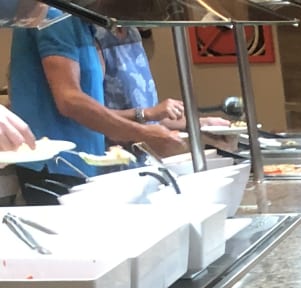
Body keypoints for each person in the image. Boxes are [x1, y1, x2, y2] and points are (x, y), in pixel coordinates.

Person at [9, 7, 185, 203]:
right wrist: (142, 133)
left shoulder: (81, 21)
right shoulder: (55, 15)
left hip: (81, 162)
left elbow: (92, 103)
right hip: (55, 165)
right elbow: (69, 101)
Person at [91, 25, 183, 128]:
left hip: (144, 135)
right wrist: (148, 113)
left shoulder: (133, 33)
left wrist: (194, 120)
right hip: (117, 137)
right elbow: (92, 115)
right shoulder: (96, 39)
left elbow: (148, 116)